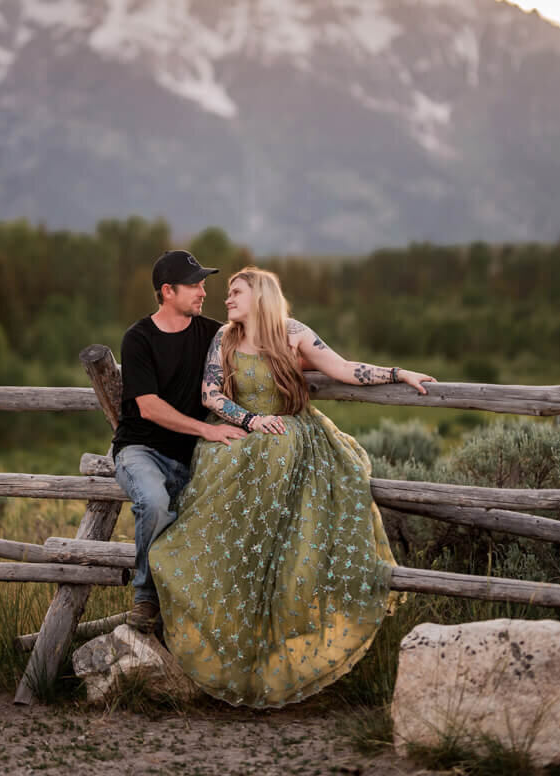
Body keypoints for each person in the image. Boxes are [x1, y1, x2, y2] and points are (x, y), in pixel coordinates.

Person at [150, 266, 436, 708]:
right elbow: (210, 395)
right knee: (225, 505)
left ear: (260, 295)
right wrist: (250, 419)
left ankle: (287, 629)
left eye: (236, 292)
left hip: (292, 434)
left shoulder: (294, 334)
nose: (227, 299)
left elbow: (344, 368)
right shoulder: (225, 337)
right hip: (244, 434)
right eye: (228, 293)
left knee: (287, 473)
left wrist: (398, 373)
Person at [113, 250, 245, 631]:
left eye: (203, 284)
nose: (203, 292)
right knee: (154, 502)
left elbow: (263, 342)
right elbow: (149, 407)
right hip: (141, 451)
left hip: (191, 457)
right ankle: (146, 598)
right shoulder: (138, 338)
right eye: (194, 286)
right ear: (167, 291)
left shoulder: (213, 334)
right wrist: (207, 429)